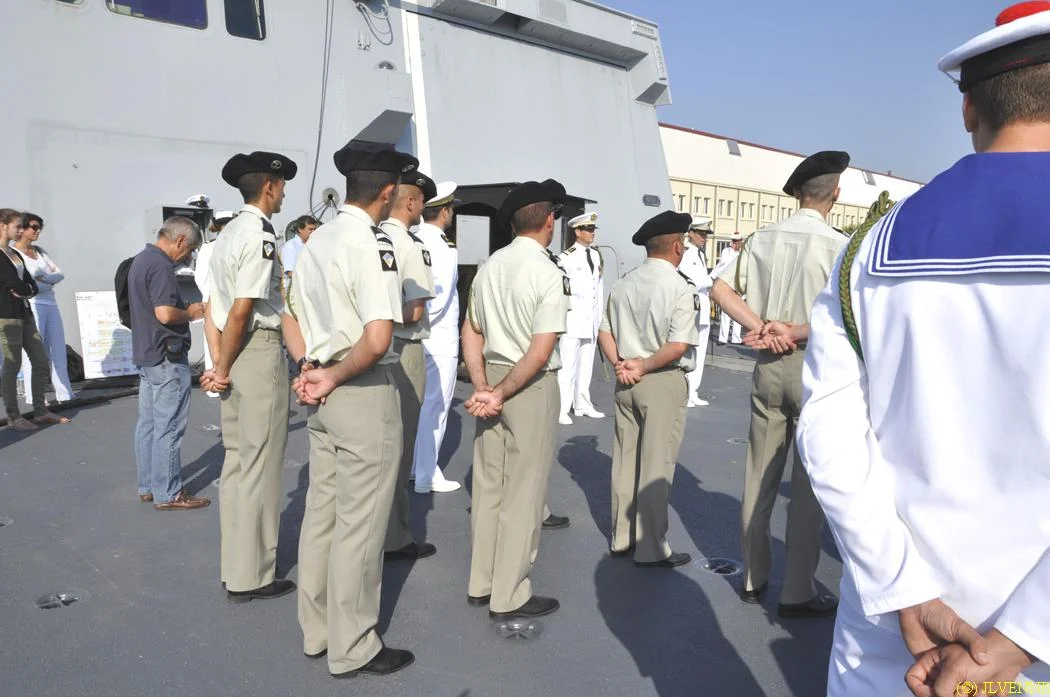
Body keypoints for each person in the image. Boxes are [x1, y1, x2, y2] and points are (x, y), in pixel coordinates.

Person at [797, 4, 1050, 695]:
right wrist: (1024, 633)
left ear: (969, 109)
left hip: (897, 631)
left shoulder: (866, 252)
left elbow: (827, 430)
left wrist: (902, 585)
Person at [289, 139, 416, 678]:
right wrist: (336, 374)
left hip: (323, 388)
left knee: (323, 515)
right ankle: (354, 645)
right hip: (360, 388)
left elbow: (290, 313)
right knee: (360, 526)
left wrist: (310, 372)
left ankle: (317, 633)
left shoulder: (316, 240)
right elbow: (379, 336)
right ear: (387, 192)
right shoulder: (372, 242)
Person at [709, 150, 850, 618]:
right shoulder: (840, 246)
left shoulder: (761, 237)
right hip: (813, 367)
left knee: (758, 473)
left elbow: (720, 290)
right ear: (834, 193)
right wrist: (793, 330)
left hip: (768, 365)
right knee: (807, 487)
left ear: (797, 193)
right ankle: (797, 590)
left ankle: (752, 577)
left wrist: (763, 323)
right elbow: (848, 317)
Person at [461, 179, 569, 620]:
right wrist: (501, 392)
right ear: (549, 220)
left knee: (489, 486)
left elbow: (471, 330)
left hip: (492, 380)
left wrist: (482, 385)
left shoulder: (489, 267)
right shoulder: (548, 271)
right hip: (528, 383)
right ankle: (510, 594)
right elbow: (540, 351)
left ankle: (481, 582)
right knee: (524, 491)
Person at [204, 151, 296, 603]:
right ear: (270, 187)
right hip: (253, 353)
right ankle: (254, 575)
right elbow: (244, 307)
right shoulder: (260, 234)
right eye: (282, 187)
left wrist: (218, 362)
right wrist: (222, 365)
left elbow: (211, 308)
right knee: (259, 466)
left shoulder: (225, 235)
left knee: (237, 463)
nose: (283, 194)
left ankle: (234, 566)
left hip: (230, 350)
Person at [597, 210, 700, 567]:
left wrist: (621, 364)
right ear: (675, 245)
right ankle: (651, 547)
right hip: (660, 379)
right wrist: (642, 365)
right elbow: (678, 345)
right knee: (656, 466)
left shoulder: (623, 282)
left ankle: (621, 537)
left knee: (624, 462)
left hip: (625, 380)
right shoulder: (679, 287)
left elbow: (605, 331)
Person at [128, 216, 209, 510]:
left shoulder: (141, 260)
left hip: (147, 354)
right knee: (169, 427)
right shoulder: (161, 266)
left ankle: (149, 485)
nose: (188, 256)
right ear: (180, 241)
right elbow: (164, 314)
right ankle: (169, 493)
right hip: (166, 356)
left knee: (148, 424)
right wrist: (192, 312)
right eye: (190, 250)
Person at [380, 170, 439, 561]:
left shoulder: (371, 237)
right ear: (413, 203)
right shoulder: (407, 244)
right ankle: (394, 537)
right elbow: (414, 308)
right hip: (402, 349)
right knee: (399, 452)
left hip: (367, 352)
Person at [411, 181, 463, 494]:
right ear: (444, 211)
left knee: (421, 407)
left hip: (418, 335)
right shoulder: (443, 246)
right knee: (436, 407)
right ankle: (428, 474)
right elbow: (439, 296)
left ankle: (417, 468)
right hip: (439, 338)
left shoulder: (414, 237)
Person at [0, 209, 69, 430]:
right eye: (17, 226)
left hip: (25, 312)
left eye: (23, 226)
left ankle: (40, 411)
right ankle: (13, 416)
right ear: (3, 226)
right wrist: (26, 288)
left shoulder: (15, 254)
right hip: (7, 316)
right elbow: (15, 283)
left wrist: (27, 289)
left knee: (40, 361)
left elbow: (29, 285)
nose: (21, 230)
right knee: (13, 365)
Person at [14, 213, 76, 405]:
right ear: (22, 229)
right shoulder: (15, 255)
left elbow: (59, 274)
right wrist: (41, 283)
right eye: (34, 227)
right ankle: (35, 396)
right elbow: (22, 283)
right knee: (35, 352)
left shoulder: (40, 251)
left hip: (51, 304)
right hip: (32, 304)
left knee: (57, 348)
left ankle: (65, 394)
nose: (37, 231)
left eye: (39, 227)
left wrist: (44, 280)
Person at [556, 212, 605, 425]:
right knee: (567, 366)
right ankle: (561, 407)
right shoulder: (565, 258)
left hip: (591, 320)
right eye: (588, 229)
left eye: (593, 229)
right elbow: (562, 292)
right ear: (577, 231)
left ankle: (582, 404)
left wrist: (599, 319)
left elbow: (599, 290)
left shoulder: (596, 256)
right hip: (573, 319)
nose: (592, 233)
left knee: (586, 365)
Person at [194, 209, 234, 398]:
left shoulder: (237, 245)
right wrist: (211, 297)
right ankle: (215, 383)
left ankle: (231, 378)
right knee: (213, 344)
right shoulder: (208, 248)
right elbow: (200, 277)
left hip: (234, 304)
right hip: (214, 302)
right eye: (224, 224)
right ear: (218, 227)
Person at [678, 215, 714, 407]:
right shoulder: (686, 253)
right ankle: (685, 391)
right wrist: (711, 278)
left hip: (703, 307)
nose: (704, 237)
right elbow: (693, 280)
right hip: (692, 306)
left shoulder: (700, 253)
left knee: (700, 352)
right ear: (690, 233)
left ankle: (693, 390)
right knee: (689, 350)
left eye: (706, 234)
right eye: (701, 233)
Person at [716, 233, 744, 345]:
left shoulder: (742, 253)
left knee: (739, 311)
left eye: (740, 242)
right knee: (726, 313)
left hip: (738, 285)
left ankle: (736, 338)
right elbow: (724, 265)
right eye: (737, 243)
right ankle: (723, 338)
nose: (739, 245)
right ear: (733, 243)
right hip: (726, 284)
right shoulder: (726, 252)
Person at [280, 214, 319, 285]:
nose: (313, 232)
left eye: (314, 229)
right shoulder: (291, 246)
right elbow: (290, 273)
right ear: (300, 229)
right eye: (310, 229)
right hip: (297, 290)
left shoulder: (314, 245)